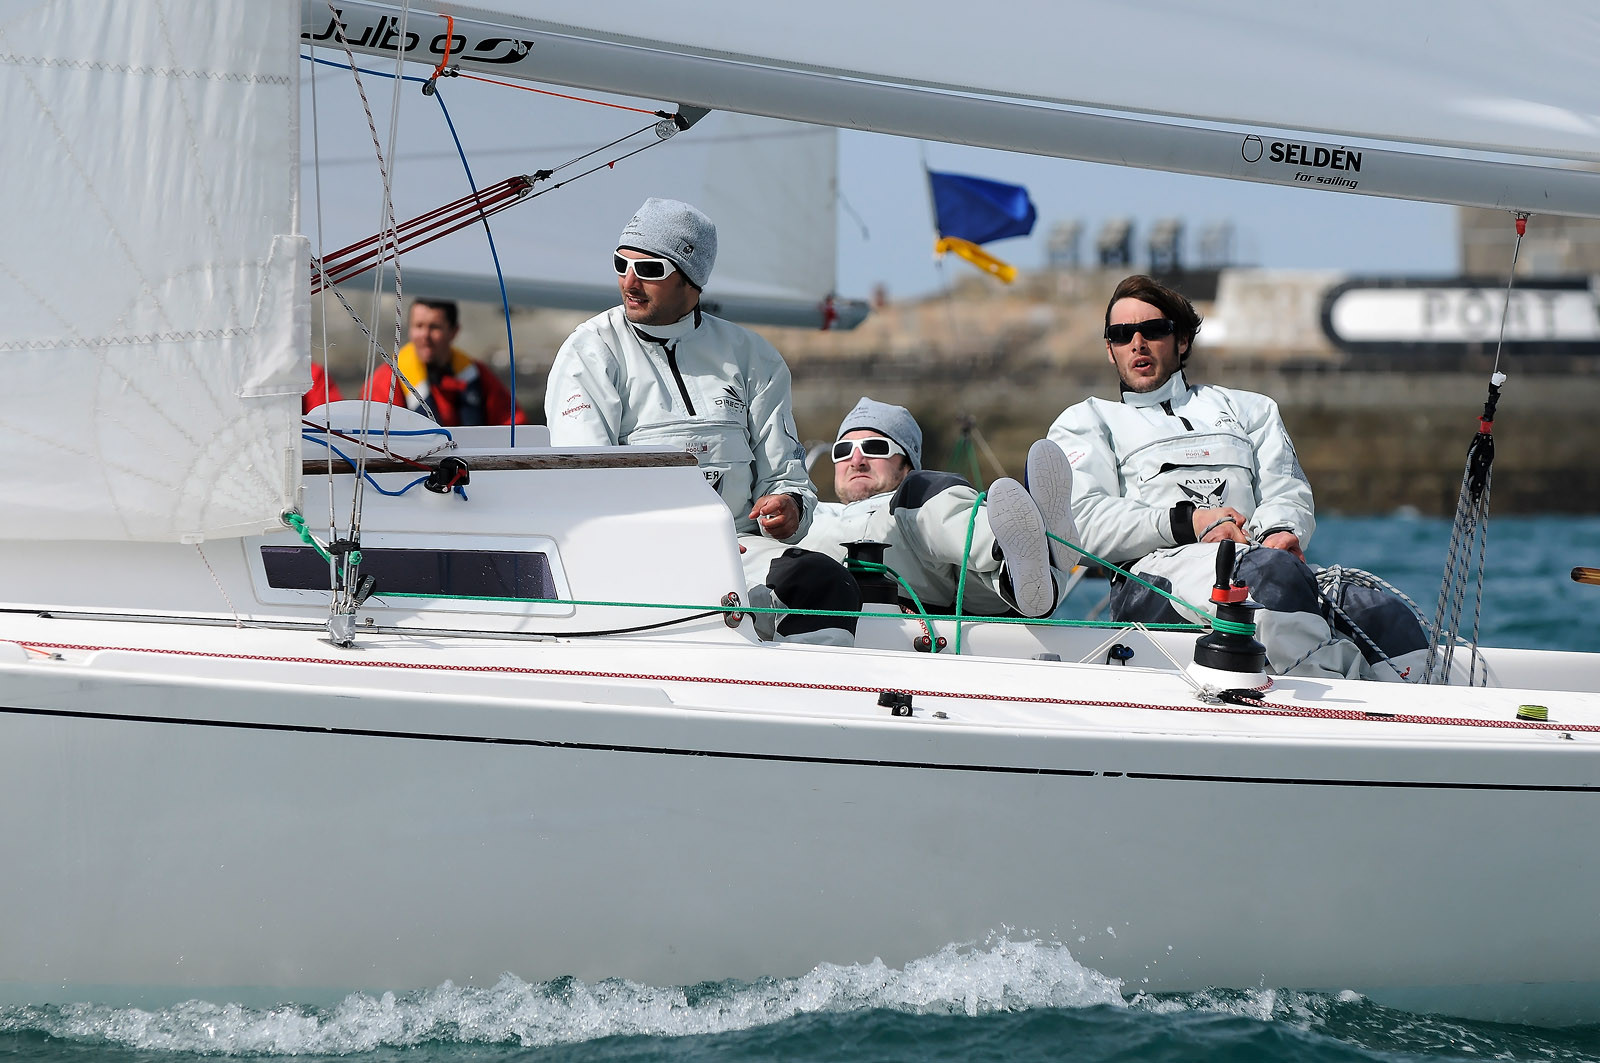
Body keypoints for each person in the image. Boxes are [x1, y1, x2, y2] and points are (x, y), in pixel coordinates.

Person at [1048, 274, 1429, 681]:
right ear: (1111, 349)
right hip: (1153, 578)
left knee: (1380, 612)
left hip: (1261, 561)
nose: (1137, 343)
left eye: (1153, 330)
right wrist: (1188, 522)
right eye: (1122, 334)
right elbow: (1081, 522)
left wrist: (1281, 532)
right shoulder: (1086, 421)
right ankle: (1336, 709)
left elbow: (1286, 491)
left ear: (1181, 341)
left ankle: (1427, 723)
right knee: (1269, 579)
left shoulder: (1251, 409)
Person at [545, 198, 859, 646]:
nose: (629, 282)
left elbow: (785, 479)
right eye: (621, 263)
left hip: (741, 549)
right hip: (638, 553)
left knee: (824, 583)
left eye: (650, 269)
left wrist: (789, 509)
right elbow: (584, 482)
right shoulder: (591, 350)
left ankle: (806, 705)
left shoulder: (753, 357)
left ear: (691, 280)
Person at [799, 397, 1080, 618]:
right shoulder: (807, 514)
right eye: (842, 450)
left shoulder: (915, 495)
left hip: (957, 582)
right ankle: (1036, 554)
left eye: (875, 447)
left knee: (931, 505)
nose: (856, 459)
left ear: (906, 463)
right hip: (916, 591)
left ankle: (1014, 554)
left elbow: (929, 504)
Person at [362, 298, 526, 427]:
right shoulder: (386, 380)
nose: (425, 335)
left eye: (434, 327)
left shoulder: (479, 376)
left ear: (454, 332)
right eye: (418, 326)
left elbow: (514, 424)